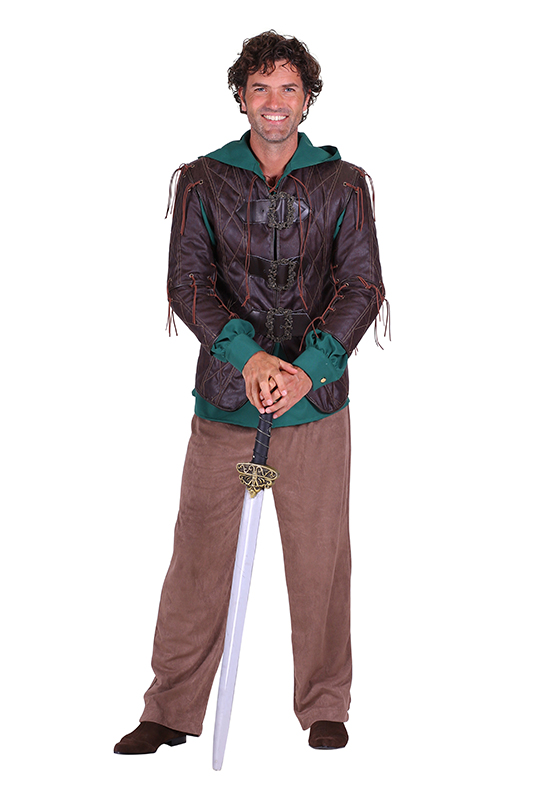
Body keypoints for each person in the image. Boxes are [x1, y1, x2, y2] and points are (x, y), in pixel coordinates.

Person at [114, 30, 386, 756]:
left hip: (313, 410)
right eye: (260, 87)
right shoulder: (203, 181)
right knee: (199, 555)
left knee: (320, 558)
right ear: (240, 96)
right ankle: (170, 708)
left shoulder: (343, 184)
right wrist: (251, 358)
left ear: (308, 100)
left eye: (288, 87)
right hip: (228, 408)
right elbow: (188, 283)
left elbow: (362, 284)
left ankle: (324, 704)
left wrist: (307, 369)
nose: (274, 101)